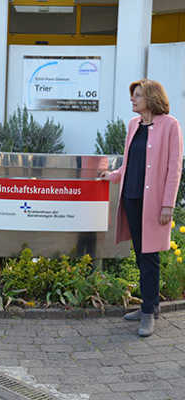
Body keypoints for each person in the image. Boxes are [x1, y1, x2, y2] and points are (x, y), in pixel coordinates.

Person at [101, 79, 183, 337]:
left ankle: (148, 313)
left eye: (137, 96)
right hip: (132, 198)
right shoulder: (133, 125)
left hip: (154, 202)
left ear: (151, 97)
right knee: (140, 254)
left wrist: (168, 204)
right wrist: (112, 176)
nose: (132, 100)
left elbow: (174, 168)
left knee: (150, 257)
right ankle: (151, 305)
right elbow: (130, 163)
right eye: (132, 96)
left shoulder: (170, 125)